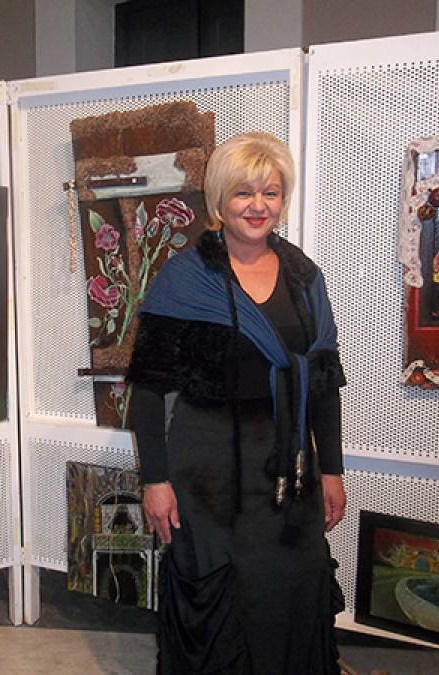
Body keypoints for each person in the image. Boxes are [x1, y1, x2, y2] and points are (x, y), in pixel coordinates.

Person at [127, 131, 347, 674]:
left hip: (288, 471)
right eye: (244, 193)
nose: (258, 206)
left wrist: (333, 470)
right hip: (206, 477)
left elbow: (322, 382)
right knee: (218, 599)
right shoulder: (184, 278)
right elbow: (148, 390)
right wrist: (155, 481)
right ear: (219, 202)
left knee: (290, 591)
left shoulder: (304, 277)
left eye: (270, 193)